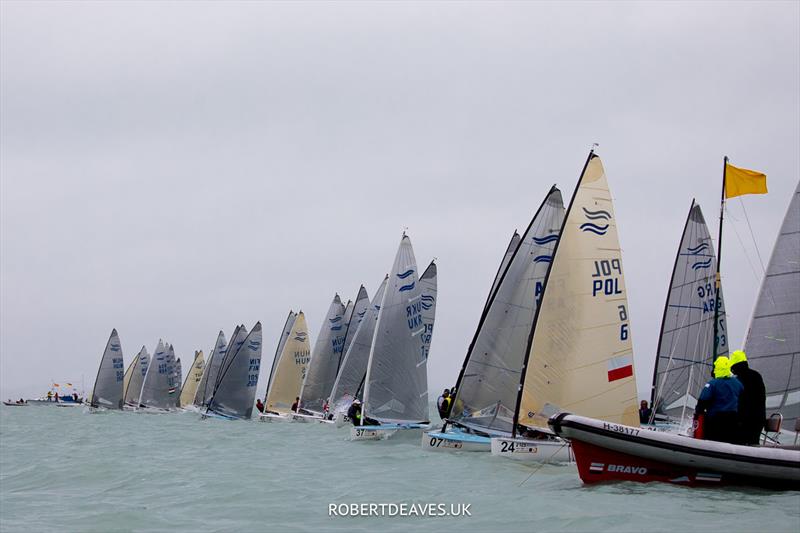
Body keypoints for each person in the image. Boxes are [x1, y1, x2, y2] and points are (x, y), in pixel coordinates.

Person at [695, 356, 743, 444]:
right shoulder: (738, 383)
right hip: (732, 421)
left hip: (715, 421)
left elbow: (702, 401)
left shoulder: (712, 384)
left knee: (712, 441)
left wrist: (698, 413)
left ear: (717, 368)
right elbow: (742, 401)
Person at [730, 350, 766, 445]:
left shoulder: (739, 380)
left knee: (739, 442)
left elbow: (741, 401)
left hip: (744, 420)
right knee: (754, 443)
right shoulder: (756, 375)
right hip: (759, 418)